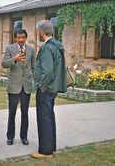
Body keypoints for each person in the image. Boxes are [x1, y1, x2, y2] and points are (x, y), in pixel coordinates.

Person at [31, 20, 67, 159]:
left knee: (44, 118)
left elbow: (47, 71)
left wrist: (41, 87)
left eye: (37, 31)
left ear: (41, 32)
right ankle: (51, 147)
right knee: (49, 117)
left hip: (46, 89)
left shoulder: (47, 48)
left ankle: (45, 151)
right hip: (53, 88)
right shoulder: (57, 46)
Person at [1, 28, 36, 146]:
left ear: (26, 38)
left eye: (23, 37)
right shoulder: (10, 49)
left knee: (25, 113)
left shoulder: (31, 49)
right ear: (15, 38)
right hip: (13, 86)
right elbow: (4, 64)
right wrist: (14, 59)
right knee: (12, 113)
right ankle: (10, 137)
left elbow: (34, 67)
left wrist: (31, 78)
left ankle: (24, 137)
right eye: (19, 37)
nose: (21, 39)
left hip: (26, 86)